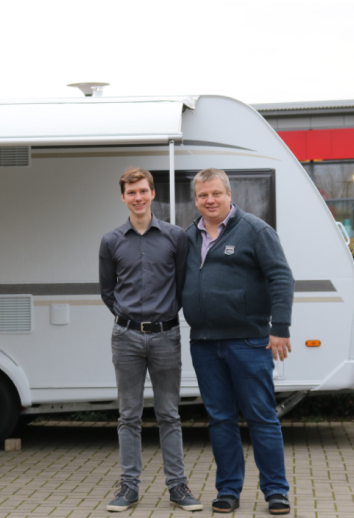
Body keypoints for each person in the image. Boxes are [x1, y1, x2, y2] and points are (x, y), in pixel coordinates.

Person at [182, 168, 294, 515]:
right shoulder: (188, 237)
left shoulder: (255, 230)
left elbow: (282, 277)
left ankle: (276, 491)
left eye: (216, 193)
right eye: (203, 195)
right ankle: (228, 490)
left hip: (249, 342)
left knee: (261, 417)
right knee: (220, 419)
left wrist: (281, 327)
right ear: (196, 199)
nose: (210, 200)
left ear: (230, 195)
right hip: (203, 343)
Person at [99, 167, 203, 513]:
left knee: (169, 414)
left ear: (153, 193)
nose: (138, 197)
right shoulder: (111, 241)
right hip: (126, 336)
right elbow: (108, 291)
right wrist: (130, 317)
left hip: (166, 336)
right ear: (124, 197)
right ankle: (129, 488)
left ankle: (177, 487)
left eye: (143, 191)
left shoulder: (176, 238)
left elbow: (184, 285)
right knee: (128, 415)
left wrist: (164, 314)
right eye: (131, 193)